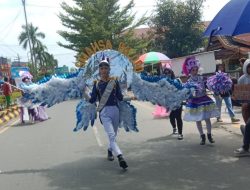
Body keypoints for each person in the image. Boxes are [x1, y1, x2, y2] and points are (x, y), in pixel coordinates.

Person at [88, 57, 128, 169]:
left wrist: (131, 97)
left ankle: (110, 151)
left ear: (109, 69)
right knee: (111, 135)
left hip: (115, 110)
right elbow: (92, 100)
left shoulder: (114, 81)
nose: (104, 70)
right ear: (99, 70)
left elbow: (120, 97)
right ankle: (120, 156)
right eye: (102, 68)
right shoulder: (96, 84)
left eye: (106, 68)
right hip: (104, 112)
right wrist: (83, 92)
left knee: (114, 135)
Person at [182, 56, 219, 145]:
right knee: (198, 120)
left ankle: (209, 135)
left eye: (196, 69)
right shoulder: (188, 81)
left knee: (207, 118)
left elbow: (209, 86)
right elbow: (187, 93)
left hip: (204, 99)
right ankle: (202, 136)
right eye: (193, 70)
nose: (195, 71)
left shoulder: (202, 78)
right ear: (190, 71)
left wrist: (214, 88)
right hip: (195, 102)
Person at [234, 59, 250, 156]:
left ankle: (245, 146)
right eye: (249, 67)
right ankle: (245, 147)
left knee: (248, 125)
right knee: (248, 124)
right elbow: (239, 96)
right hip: (246, 106)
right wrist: (243, 103)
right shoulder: (241, 79)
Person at [163, 66, 183, 140]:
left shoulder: (177, 80)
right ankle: (174, 127)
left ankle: (180, 134)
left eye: (169, 72)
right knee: (171, 117)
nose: (167, 74)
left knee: (178, 117)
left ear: (172, 73)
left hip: (178, 101)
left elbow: (182, 89)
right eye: (165, 73)